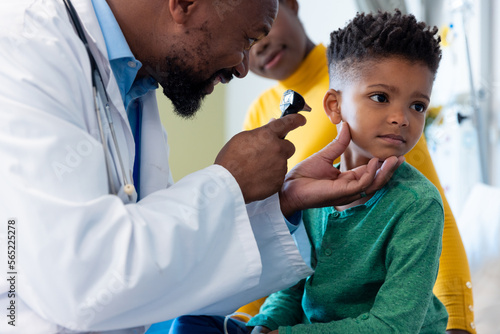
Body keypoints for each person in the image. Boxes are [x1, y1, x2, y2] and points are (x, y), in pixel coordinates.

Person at [0, 0, 403, 333]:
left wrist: (286, 202)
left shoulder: (134, 85)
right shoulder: (24, 51)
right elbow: (78, 280)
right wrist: (227, 181)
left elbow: (166, 271)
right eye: (247, 39)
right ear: (185, 4)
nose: (244, 67)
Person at [241, 1, 475, 333]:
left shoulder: (417, 205)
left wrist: (460, 322)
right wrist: (262, 325)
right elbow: (292, 285)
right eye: (381, 98)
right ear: (334, 107)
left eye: (418, 105)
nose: (401, 118)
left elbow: (394, 325)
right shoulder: (311, 192)